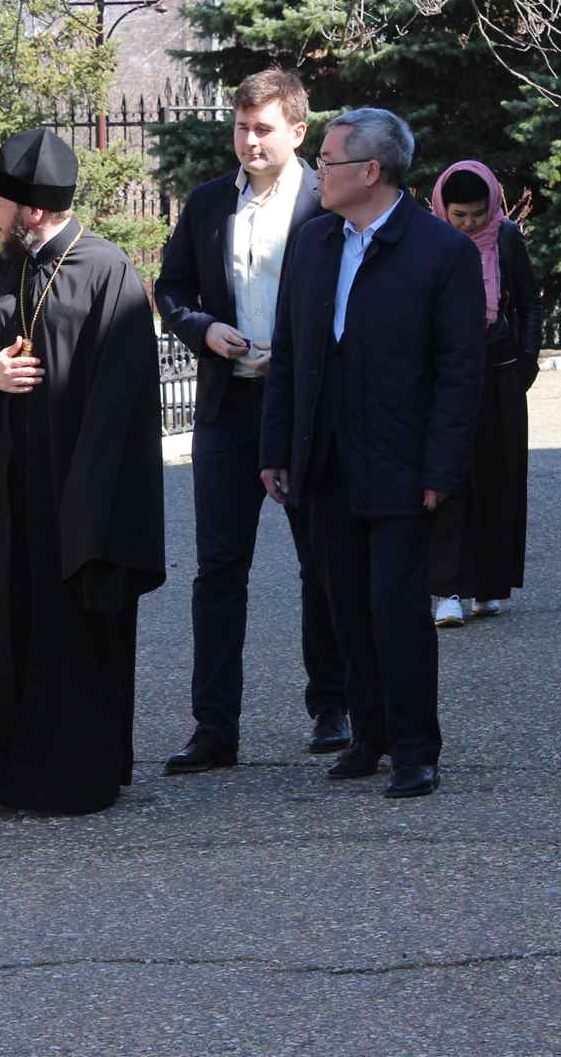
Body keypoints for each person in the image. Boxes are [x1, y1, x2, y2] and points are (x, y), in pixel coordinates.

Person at [259, 109, 484, 799]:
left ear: (370, 171)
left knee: (396, 607)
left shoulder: (440, 252)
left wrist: (441, 468)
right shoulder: (314, 243)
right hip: (325, 460)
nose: (317, 174)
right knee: (345, 606)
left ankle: (415, 748)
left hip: (401, 463)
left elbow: (460, 373)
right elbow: (289, 352)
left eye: (327, 161)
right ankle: (369, 735)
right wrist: (277, 447)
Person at [0, 128, 166, 815]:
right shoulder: (1, 270)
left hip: (75, 502)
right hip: (4, 498)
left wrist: (88, 506)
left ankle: (72, 779)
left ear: (32, 209)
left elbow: (124, 400)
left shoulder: (108, 272)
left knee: (69, 640)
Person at [152, 68, 348, 774]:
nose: (249, 141)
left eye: (263, 128)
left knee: (320, 561)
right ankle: (215, 728)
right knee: (218, 570)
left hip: (303, 411)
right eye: (241, 127)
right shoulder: (209, 203)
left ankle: (332, 705)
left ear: (298, 130)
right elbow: (171, 288)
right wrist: (203, 329)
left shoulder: (328, 203)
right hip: (228, 408)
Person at [427, 161, 542, 627]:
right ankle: (447, 589)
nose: (471, 224)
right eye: (460, 215)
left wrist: (527, 361)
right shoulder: (429, 240)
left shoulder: (507, 237)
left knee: (500, 478)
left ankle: (490, 586)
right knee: (449, 477)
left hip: (501, 370)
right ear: (444, 210)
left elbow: (529, 302)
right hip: (446, 374)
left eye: (478, 214)